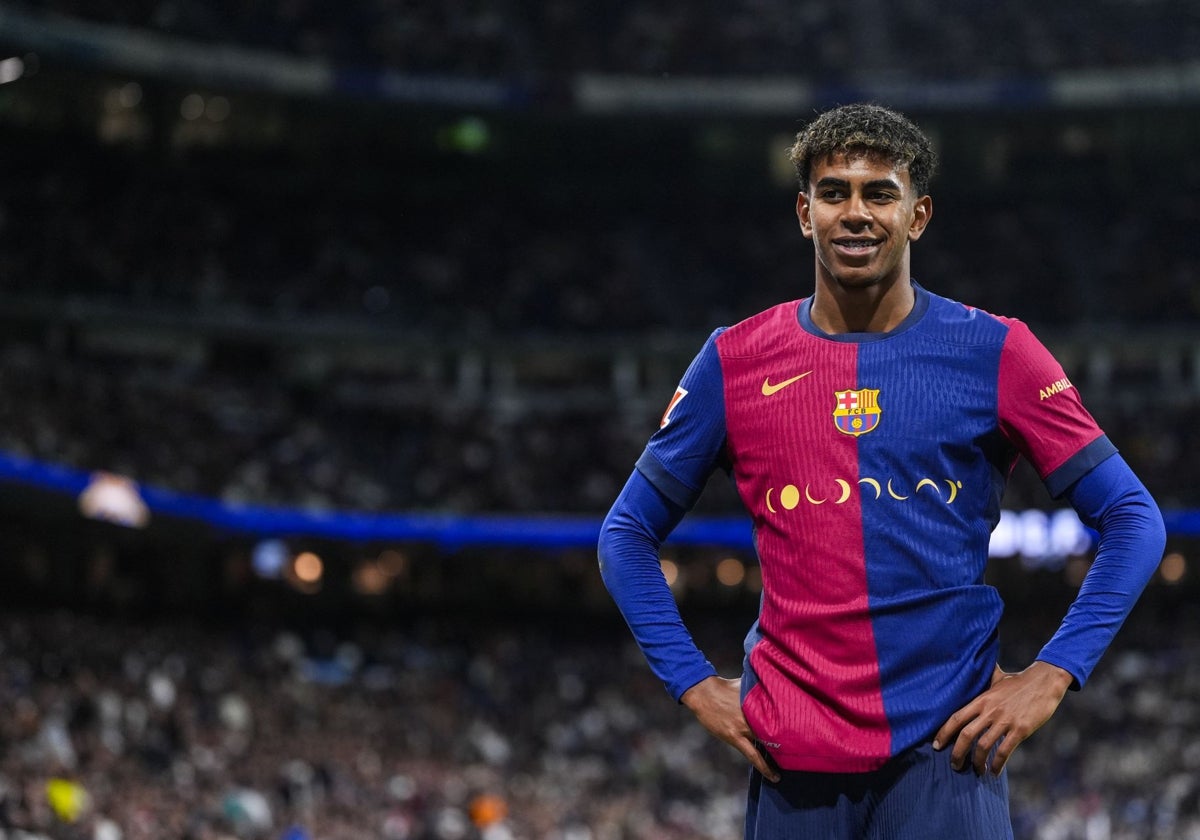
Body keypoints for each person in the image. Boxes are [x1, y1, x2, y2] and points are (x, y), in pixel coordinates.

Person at [597, 102, 1166, 839]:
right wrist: (693, 684)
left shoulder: (999, 351)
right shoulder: (734, 361)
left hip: (947, 759)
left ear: (918, 214)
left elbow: (1134, 518)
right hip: (791, 764)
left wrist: (1054, 674)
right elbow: (625, 533)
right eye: (834, 193)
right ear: (805, 213)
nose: (855, 212)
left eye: (880, 193)